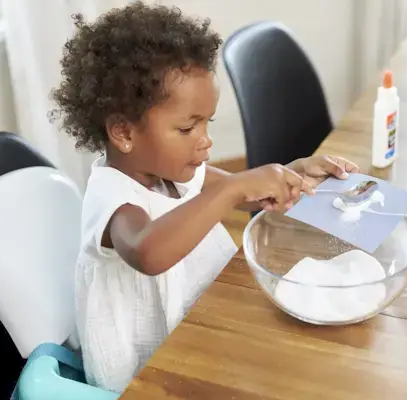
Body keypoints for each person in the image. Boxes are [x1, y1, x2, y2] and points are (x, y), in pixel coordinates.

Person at [49, 1, 359, 393]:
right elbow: (149, 252)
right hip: (147, 374)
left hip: (202, 325)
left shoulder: (172, 173)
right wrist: (232, 189)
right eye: (187, 128)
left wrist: (290, 174)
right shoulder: (113, 198)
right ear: (124, 132)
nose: (206, 140)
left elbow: (240, 193)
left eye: (207, 123)